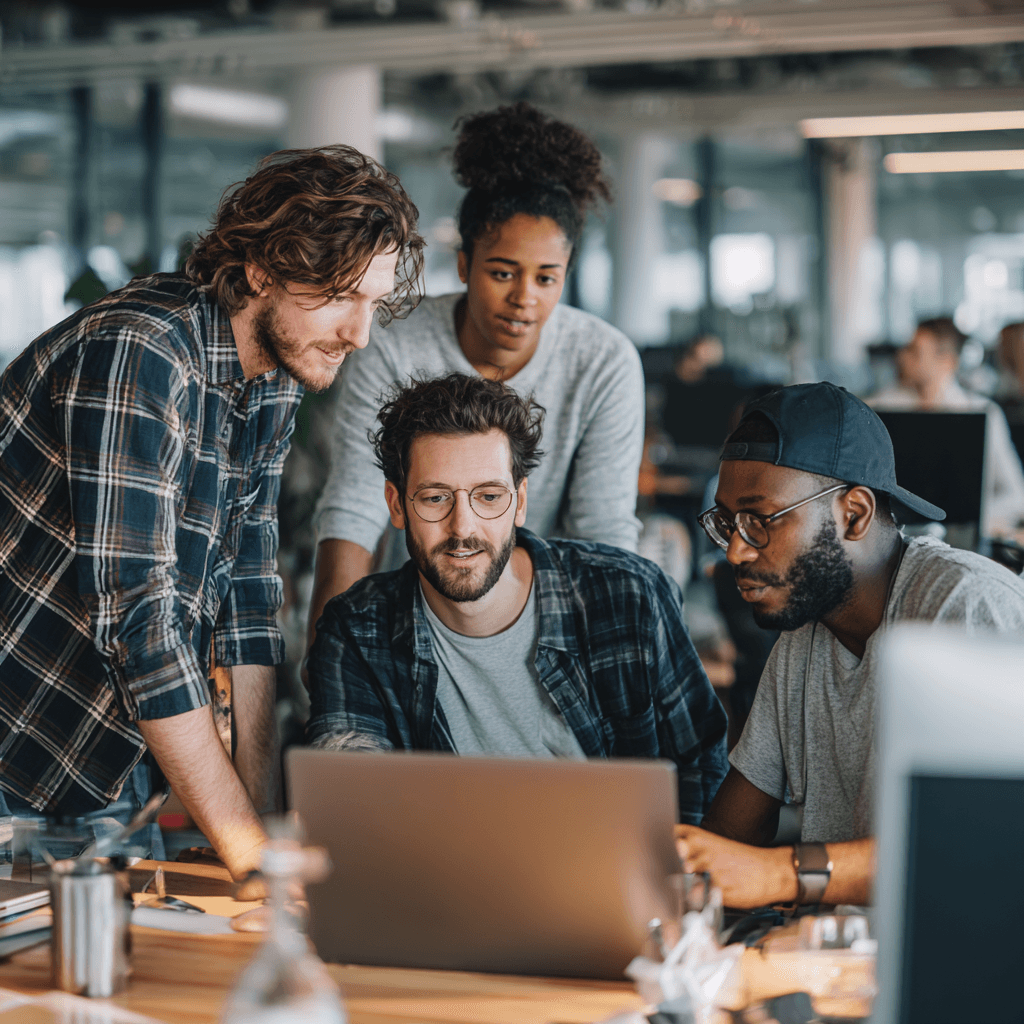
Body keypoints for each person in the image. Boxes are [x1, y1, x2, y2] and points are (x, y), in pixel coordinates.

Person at [0, 146, 423, 880]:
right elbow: (141, 624)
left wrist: (254, 832)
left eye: (374, 304)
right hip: (14, 751)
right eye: (340, 296)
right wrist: (252, 857)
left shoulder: (270, 379)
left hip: (105, 762)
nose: (360, 334)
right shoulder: (141, 352)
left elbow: (250, 602)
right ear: (262, 270)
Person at [305, 374, 728, 823]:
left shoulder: (630, 597)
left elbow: (703, 776)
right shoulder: (357, 630)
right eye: (434, 498)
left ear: (520, 501)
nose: (463, 528)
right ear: (396, 504)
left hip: (622, 886)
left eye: (489, 496)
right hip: (445, 887)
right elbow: (352, 800)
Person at [307, 101, 644, 648]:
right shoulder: (394, 342)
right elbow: (356, 504)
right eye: (502, 272)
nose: (524, 299)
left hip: (548, 619)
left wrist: (613, 657)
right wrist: (326, 648)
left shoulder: (604, 361)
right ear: (465, 265)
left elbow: (602, 531)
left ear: (567, 274)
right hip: (414, 612)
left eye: (546, 278)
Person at [676, 382, 1024, 909]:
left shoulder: (967, 608)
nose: (735, 552)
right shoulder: (802, 635)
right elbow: (731, 834)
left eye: (759, 521)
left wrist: (780, 874)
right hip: (841, 962)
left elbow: (988, 844)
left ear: (853, 514)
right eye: (727, 524)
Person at [869, 316, 1024, 538]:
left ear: (947, 361)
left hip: (962, 538)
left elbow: (1016, 494)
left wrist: (973, 518)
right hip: (895, 537)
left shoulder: (983, 411)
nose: (903, 357)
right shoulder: (878, 409)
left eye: (915, 351)